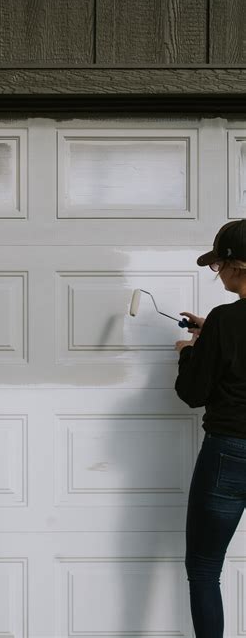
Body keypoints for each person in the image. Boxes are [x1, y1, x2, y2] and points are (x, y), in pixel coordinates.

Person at [175, 219, 246, 638]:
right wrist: (214, 337)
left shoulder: (224, 320)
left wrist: (189, 351)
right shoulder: (221, 323)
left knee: (203, 568)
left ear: (238, 265)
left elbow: (192, 393)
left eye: (219, 265)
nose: (217, 273)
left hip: (229, 453)